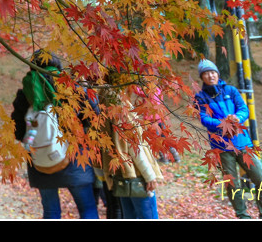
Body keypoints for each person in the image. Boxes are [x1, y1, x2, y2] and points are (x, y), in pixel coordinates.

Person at [11, 51, 99, 219]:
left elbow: (18, 131)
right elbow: (94, 116)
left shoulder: (25, 94)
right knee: (87, 209)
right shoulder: (71, 86)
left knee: (51, 211)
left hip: (41, 158)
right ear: (57, 65)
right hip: (75, 156)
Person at [193, 59, 262, 219]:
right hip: (222, 147)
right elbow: (204, 119)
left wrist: (237, 118)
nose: (210, 76)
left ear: (217, 73)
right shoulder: (200, 97)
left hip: (243, 144)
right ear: (202, 77)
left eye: (212, 72)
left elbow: (244, 109)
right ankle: (243, 216)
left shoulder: (230, 90)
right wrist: (223, 124)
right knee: (232, 185)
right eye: (206, 73)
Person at [100, 77, 162, 219]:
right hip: (136, 175)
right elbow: (134, 147)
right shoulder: (119, 106)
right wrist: (149, 175)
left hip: (120, 174)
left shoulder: (103, 102)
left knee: (129, 214)